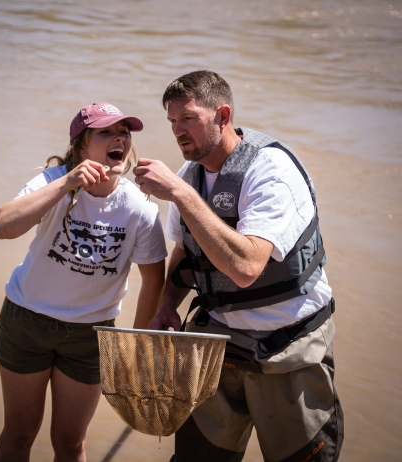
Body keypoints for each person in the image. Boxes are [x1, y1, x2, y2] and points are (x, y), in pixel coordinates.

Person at [133, 71, 343, 462]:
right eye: (172, 122)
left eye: (188, 118)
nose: (177, 130)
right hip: (218, 344)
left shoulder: (270, 171)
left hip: (286, 346)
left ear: (222, 115)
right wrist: (166, 306)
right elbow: (185, 252)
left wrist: (180, 195)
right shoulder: (190, 174)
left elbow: (246, 267)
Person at [0, 102, 167, 462]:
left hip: (91, 335)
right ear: (81, 146)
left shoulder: (140, 209)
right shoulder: (53, 181)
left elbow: (153, 281)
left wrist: (132, 349)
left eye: (125, 132)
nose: (119, 137)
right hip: (27, 320)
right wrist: (67, 183)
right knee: (20, 433)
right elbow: (1, 227)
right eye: (106, 132)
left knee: (71, 443)